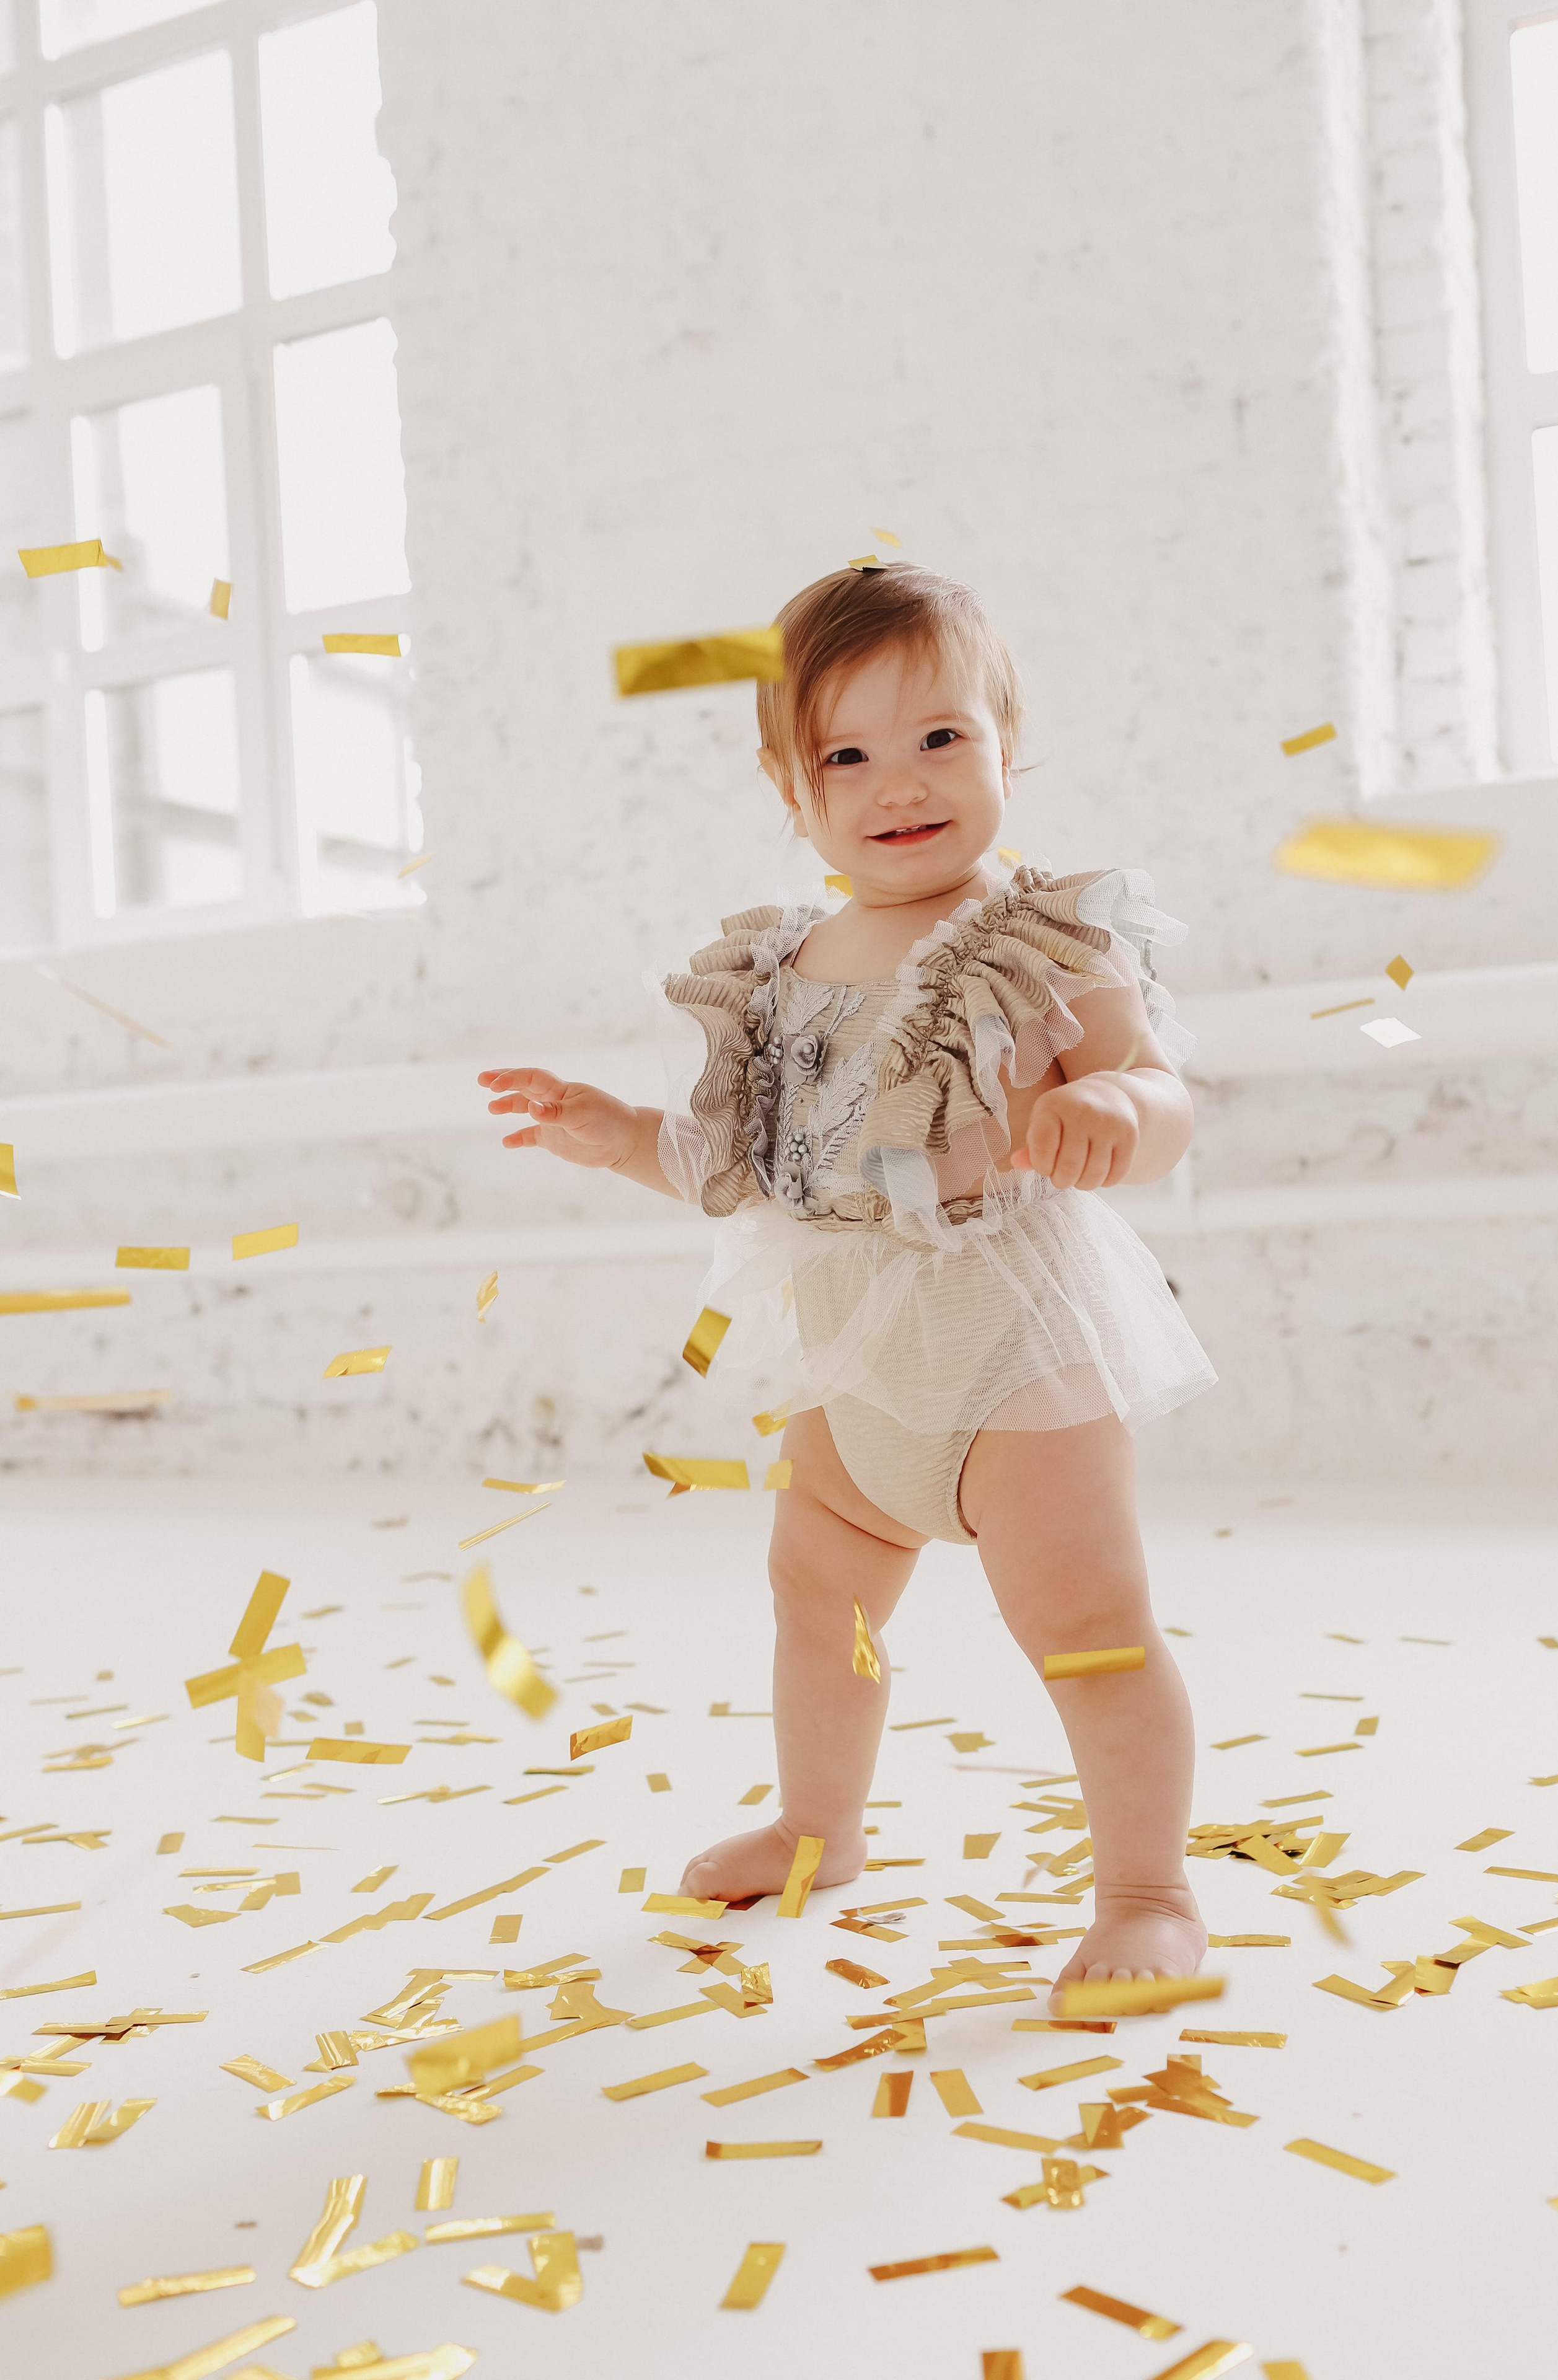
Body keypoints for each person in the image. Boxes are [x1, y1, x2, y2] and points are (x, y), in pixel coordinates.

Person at [479, 563, 1217, 1993]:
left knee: (1083, 1626)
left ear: (1006, 738)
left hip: (1012, 1344)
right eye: (848, 753)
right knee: (815, 1594)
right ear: (787, 782)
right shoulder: (785, 965)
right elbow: (740, 1165)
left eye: (940, 737)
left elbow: (1154, 1084)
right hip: (853, 1356)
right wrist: (620, 1133)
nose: (900, 784)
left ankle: (1144, 1888)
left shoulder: (1041, 935)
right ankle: (820, 1822)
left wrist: (1117, 1114)